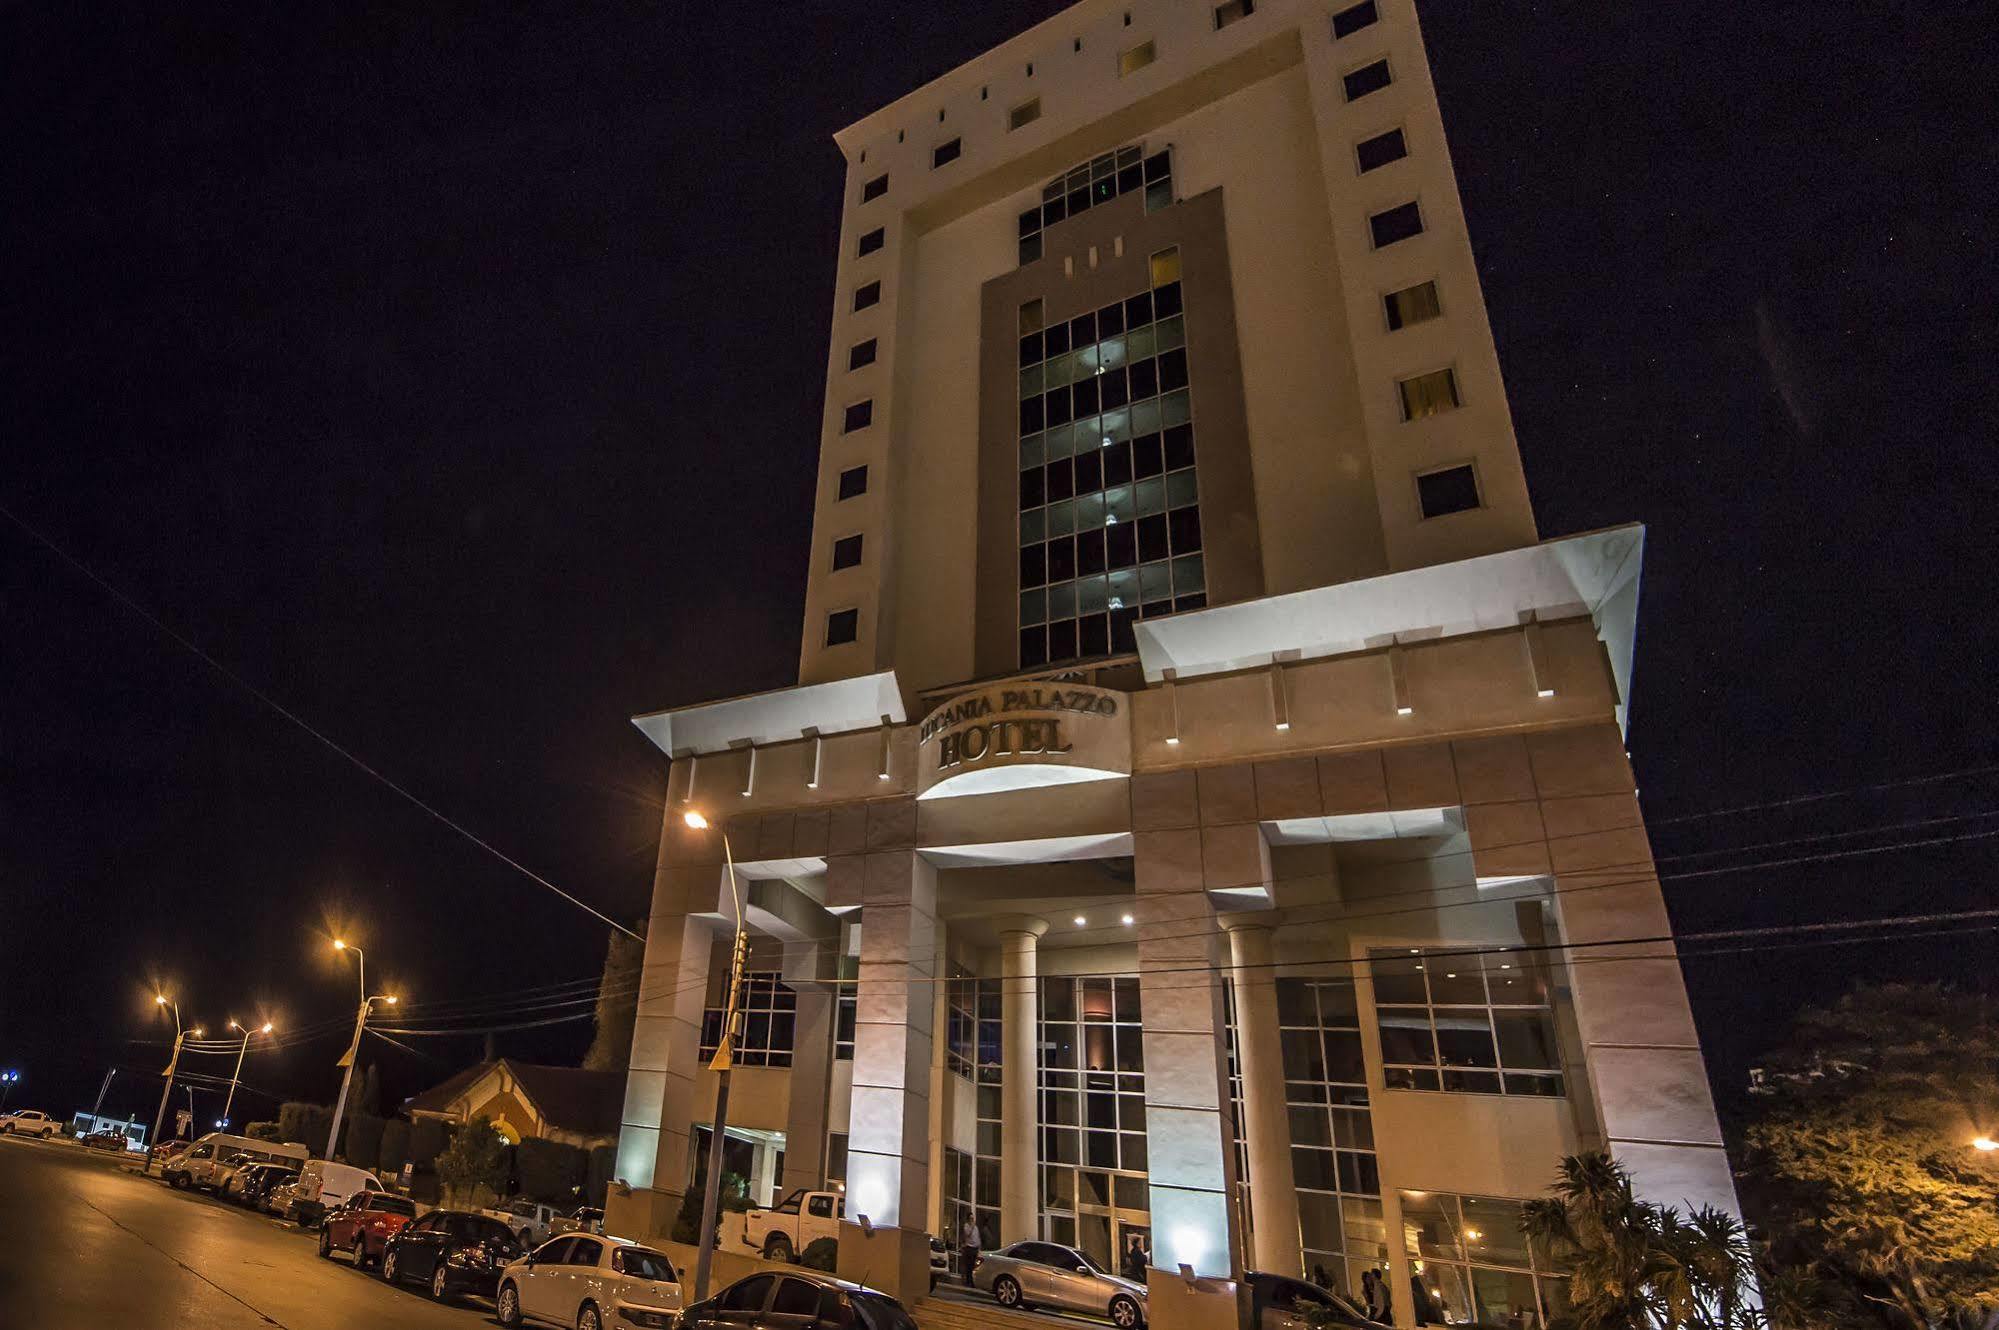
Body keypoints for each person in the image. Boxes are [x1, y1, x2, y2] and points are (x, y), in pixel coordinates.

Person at [959, 1215, 981, 1287]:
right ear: (968, 1219)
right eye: (971, 1218)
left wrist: (979, 1247)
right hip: (969, 1248)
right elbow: (967, 1234)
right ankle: (969, 1282)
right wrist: (971, 1227)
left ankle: (972, 1281)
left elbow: (977, 1237)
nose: (972, 1220)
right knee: (969, 1266)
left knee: (974, 1266)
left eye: (973, 1218)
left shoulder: (976, 1227)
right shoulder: (967, 1226)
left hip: (975, 1248)